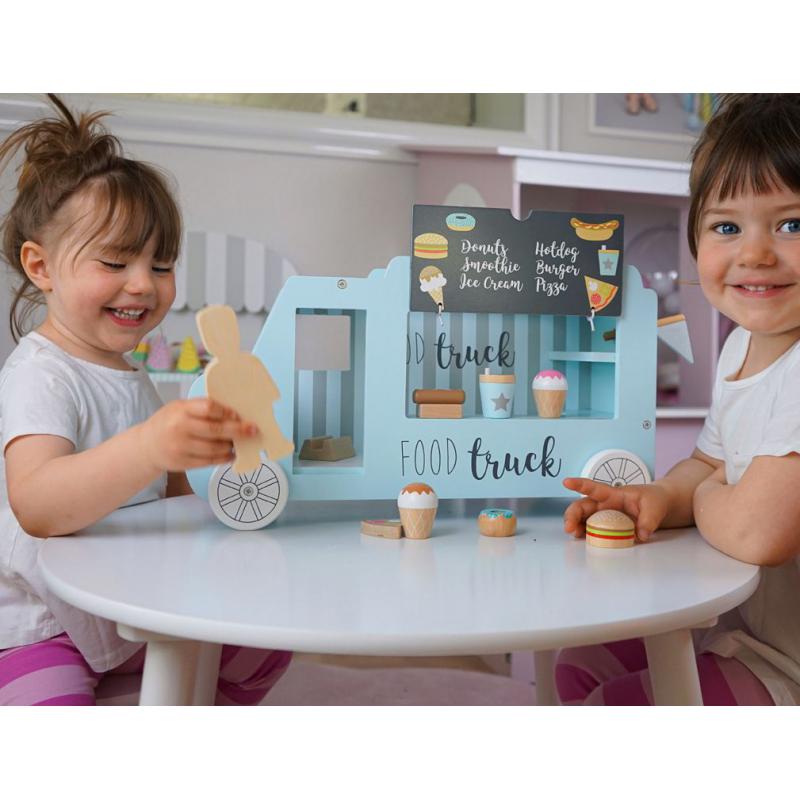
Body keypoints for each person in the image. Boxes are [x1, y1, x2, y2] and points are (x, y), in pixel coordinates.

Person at [0, 95, 291, 705]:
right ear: (40, 266)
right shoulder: (40, 375)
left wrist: (207, 470)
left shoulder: (129, 375)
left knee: (269, 639)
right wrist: (151, 445)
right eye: (114, 261)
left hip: (122, 601)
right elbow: (38, 505)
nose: (142, 283)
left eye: (160, 265)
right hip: (41, 623)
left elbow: (168, 493)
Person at [558, 94, 800, 705]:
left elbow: (757, 532)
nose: (755, 254)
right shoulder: (741, 345)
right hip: (753, 628)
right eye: (727, 227)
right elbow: (709, 463)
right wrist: (661, 497)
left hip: (791, 665)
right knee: (580, 662)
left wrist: (710, 495)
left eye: (792, 225)